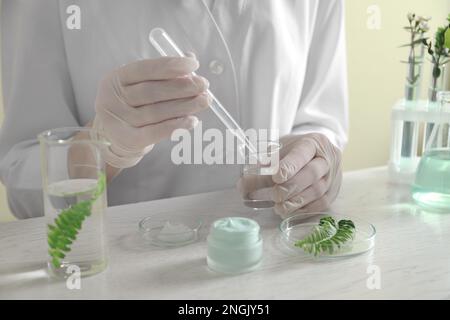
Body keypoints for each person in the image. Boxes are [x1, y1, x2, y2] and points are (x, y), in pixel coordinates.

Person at [0, 0, 348, 219]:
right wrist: (100, 147)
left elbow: (319, 120)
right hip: (124, 276)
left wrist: (313, 161)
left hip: (270, 261)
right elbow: (25, 195)